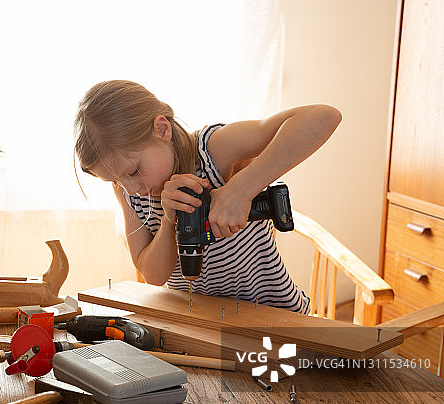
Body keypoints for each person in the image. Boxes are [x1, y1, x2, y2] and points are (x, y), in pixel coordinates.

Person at [73, 80, 341, 312]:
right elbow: (153, 275)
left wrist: (240, 190)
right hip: (202, 323)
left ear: (162, 130)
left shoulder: (213, 150)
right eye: (115, 179)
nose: (130, 188)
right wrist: (168, 221)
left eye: (133, 171)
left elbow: (323, 117)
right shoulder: (129, 191)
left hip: (274, 315)